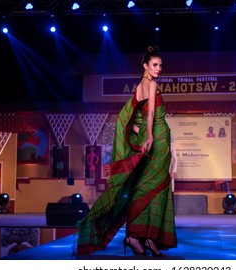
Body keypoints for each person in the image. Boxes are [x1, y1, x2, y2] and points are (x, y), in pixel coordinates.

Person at [76, 45, 177, 257]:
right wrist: (149, 135)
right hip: (156, 139)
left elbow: (130, 118)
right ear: (145, 66)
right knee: (148, 187)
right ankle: (135, 235)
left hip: (157, 139)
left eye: (160, 65)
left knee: (153, 187)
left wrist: (140, 132)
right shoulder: (151, 84)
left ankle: (148, 237)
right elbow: (149, 115)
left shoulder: (140, 85)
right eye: (155, 65)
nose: (159, 68)